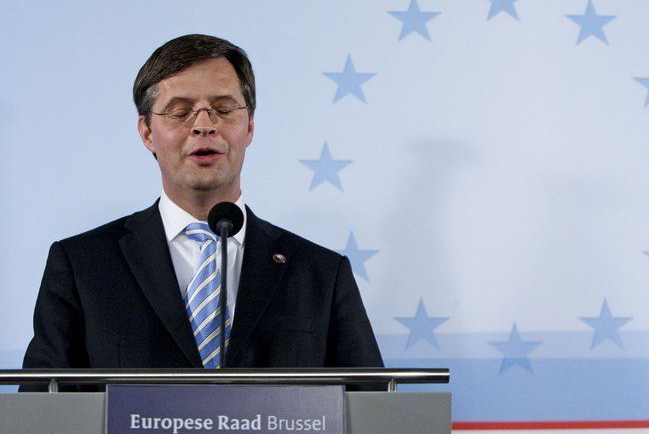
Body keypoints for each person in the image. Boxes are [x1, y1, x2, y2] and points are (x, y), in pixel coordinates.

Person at [21, 34, 383, 390]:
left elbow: (375, 413)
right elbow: (40, 414)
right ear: (147, 132)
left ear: (249, 126)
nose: (203, 125)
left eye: (223, 109)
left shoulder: (321, 274)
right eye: (180, 112)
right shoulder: (82, 265)